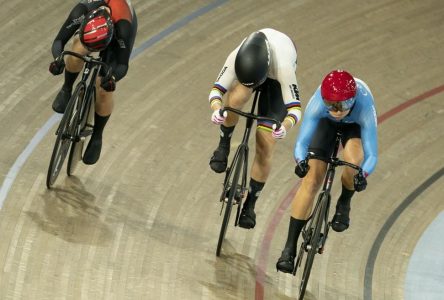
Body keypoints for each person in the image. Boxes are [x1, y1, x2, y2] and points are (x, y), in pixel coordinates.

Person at [276, 70, 378, 273]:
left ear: (353, 100)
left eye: (343, 105)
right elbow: (302, 143)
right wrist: (301, 161)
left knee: (354, 162)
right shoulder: (318, 104)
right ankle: (289, 248)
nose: (338, 111)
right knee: (311, 180)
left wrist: (362, 175)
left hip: (354, 126)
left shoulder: (365, 104)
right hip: (325, 126)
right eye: (331, 105)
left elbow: (372, 154)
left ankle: (344, 202)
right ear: (324, 99)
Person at [208, 28, 302, 229]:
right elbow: (217, 90)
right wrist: (217, 109)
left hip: (275, 82)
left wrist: (285, 126)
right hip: (251, 70)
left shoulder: (283, 68)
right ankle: (223, 145)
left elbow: (295, 109)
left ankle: (250, 204)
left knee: (265, 142)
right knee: (234, 99)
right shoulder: (236, 57)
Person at [49, 0, 137, 165]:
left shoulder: (122, 27)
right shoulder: (81, 11)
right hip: (94, 28)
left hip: (118, 29)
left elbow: (123, 65)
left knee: (103, 89)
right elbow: (59, 41)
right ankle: (66, 89)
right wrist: (58, 59)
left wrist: (112, 79)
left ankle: (97, 136)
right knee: (78, 50)